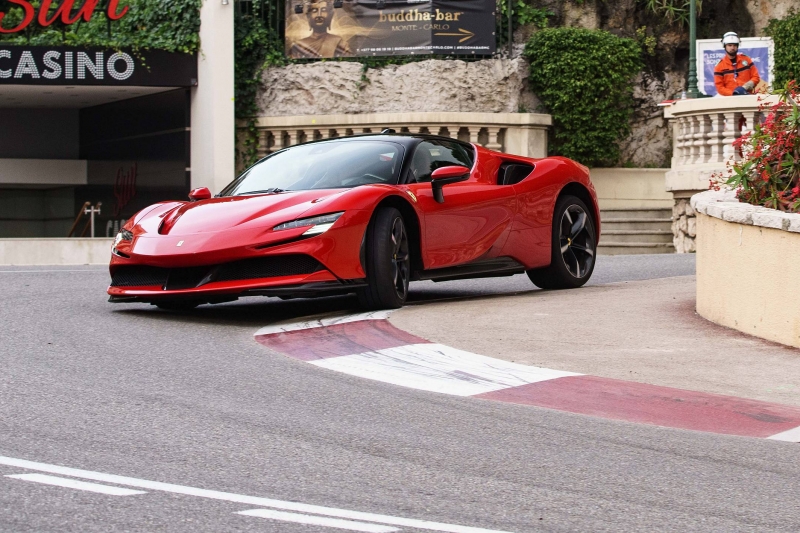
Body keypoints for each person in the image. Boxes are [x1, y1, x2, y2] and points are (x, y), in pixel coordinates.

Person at [714, 32, 760, 96]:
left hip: (747, 95)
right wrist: (734, 93)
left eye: (735, 45)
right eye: (729, 45)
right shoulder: (719, 66)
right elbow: (720, 87)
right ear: (724, 46)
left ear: (738, 46)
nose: (732, 48)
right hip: (729, 99)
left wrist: (745, 87)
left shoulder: (746, 60)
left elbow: (756, 77)